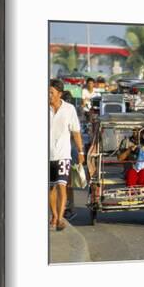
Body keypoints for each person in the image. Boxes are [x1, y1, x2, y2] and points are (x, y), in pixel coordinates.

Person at [49, 79, 85, 231]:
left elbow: (75, 132)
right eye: (47, 92)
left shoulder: (69, 109)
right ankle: (54, 215)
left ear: (60, 93)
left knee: (61, 186)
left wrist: (81, 151)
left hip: (63, 154)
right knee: (50, 188)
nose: (49, 95)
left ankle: (60, 217)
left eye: (51, 92)